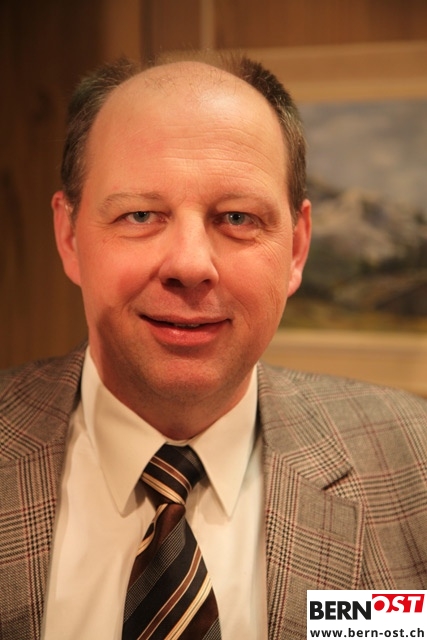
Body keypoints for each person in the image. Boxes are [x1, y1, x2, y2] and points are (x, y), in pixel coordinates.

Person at [1, 53, 426, 640]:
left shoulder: (414, 461)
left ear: (297, 248)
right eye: (140, 214)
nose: (190, 264)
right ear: (70, 236)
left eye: (237, 218)